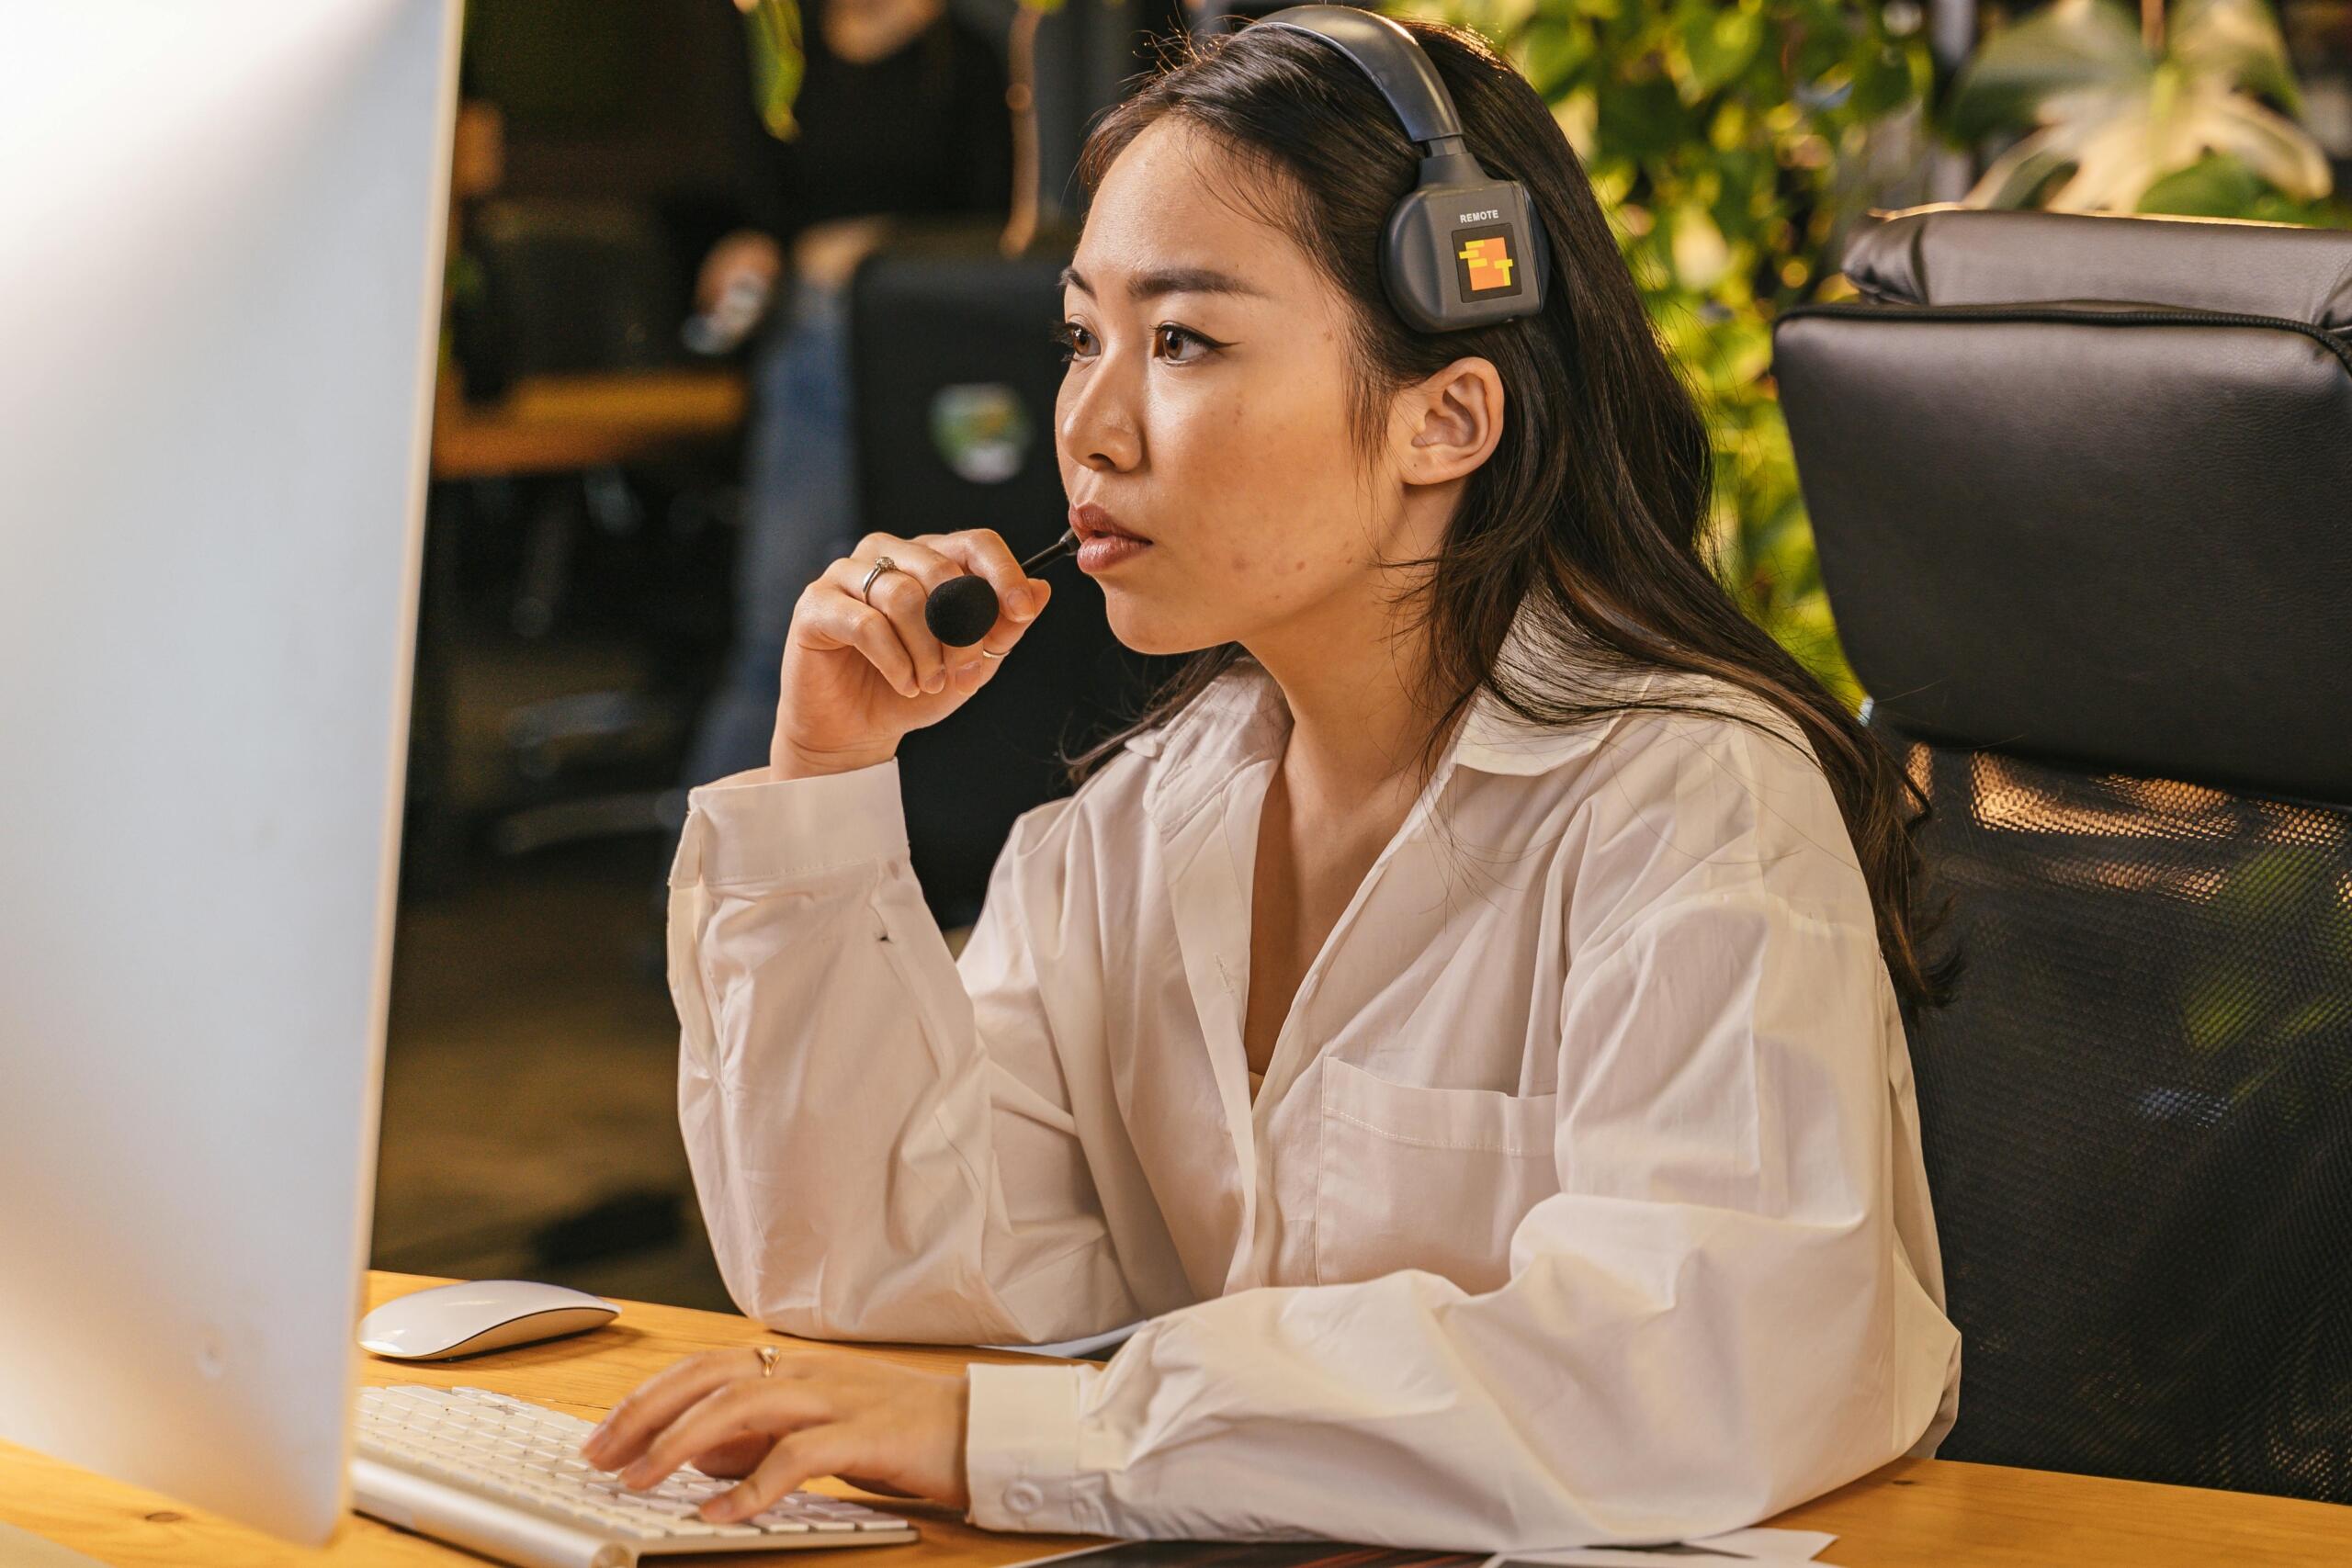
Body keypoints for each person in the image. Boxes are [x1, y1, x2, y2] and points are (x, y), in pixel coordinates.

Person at [583, 14, 1964, 1549]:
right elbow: (870, 1274)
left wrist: (1042, 1431)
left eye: (1183, 340)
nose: (1091, 427)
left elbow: (1691, 1372)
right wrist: (825, 781)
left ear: (1449, 415)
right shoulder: (1141, 822)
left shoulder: (1691, 806)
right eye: (1080, 336)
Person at [680, 0, 1012, 790]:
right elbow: (751, 199)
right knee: (783, 639)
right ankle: (702, 887)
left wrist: (881, 248)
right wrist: (751, 247)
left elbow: (992, 223)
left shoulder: (963, 58)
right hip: (803, 330)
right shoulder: (780, 45)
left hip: (927, 341)